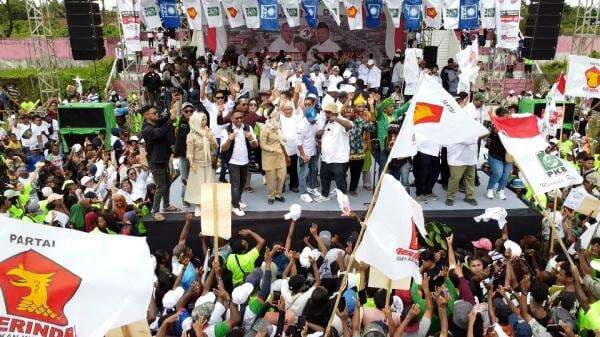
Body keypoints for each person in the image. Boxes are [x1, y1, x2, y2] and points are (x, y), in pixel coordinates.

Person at [140, 100, 180, 221]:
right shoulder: (147, 129)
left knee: (167, 183)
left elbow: (164, 119)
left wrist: (171, 110)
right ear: (146, 116)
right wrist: (171, 120)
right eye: (153, 113)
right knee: (161, 186)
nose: (156, 115)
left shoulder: (155, 122)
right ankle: (155, 211)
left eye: (157, 113)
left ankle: (166, 205)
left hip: (163, 158)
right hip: (155, 161)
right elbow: (160, 132)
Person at [220, 111, 258, 216]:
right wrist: (229, 139)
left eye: (241, 117)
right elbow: (223, 149)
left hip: (245, 161)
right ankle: (235, 206)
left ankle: (238, 200)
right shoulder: (227, 130)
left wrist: (250, 137)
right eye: (237, 118)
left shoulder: (248, 128)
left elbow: (255, 145)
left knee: (242, 184)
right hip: (233, 162)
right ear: (231, 118)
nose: (239, 120)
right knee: (235, 185)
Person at [315, 103, 353, 201]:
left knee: (340, 181)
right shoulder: (325, 122)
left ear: (335, 113)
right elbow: (319, 137)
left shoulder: (344, 121)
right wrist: (318, 134)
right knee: (324, 178)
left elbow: (349, 126)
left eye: (329, 112)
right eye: (326, 112)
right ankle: (324, 195)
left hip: (339, 159)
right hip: (326, 158)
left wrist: (336, 119)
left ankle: (343, 200)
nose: (327, 114)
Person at [184, 112, 217, 216]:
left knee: (208, 185)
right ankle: (198, 205)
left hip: (208, 163)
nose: (204, 122)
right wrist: (191, 163)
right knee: (198, 186)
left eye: (205, 119)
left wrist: (210, 139)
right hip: (197, 164)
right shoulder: (191, 135)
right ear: (196, 121)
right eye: (202, 120)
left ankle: (207, 205)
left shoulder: (209, 132)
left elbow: (215, 147)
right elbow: (189, 152)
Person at [260, 110, 287, 204]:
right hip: (269, 157)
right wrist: (274, 149)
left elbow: (279, 139)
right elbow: (262, 145)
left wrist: (283, 139)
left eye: (277, 115)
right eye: (275, 115)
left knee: (282, 176)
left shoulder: (278, 128)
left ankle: (278, 194)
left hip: (280, 156)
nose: (277, 117)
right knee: (271, 178)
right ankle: (271, 196)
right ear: (270, 116)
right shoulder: (265, 129)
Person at [486, 107, 513, 200]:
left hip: (508, 155)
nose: (507, 119)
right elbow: (494, 131)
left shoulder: (512, 125)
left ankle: (500, 191)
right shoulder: (494, 125)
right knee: (498, 173)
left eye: (508, 117)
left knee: (505, 175)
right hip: (495, 154)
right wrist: (498, 126)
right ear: (500, 118)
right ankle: (490, 189)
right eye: (504, 117)